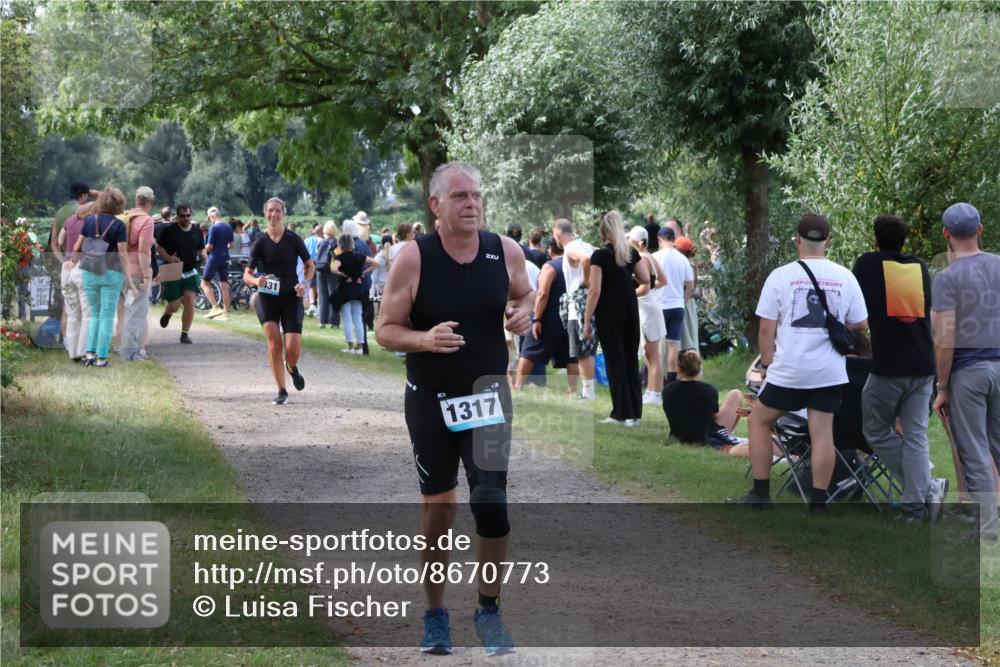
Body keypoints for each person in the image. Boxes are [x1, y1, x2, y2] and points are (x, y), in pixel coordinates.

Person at [375, 160, 532, 656]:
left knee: (491, 503)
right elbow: (384, 329)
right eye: (460, 196)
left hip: (487, 395)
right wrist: (423, 338)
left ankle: (489, 611)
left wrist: (523, 314)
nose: (472, 204)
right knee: (439, 511)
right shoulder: (413, 258)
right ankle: (435, 613)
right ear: (436, 205)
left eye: (476, 196)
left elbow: (526, 297)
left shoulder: (504, 251)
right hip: (431, 400)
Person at [737, 214, 868, 513]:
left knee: (759, 419)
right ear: (827, 242)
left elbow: (767, 328)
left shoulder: (780, 276)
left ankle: (760, 494)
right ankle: (819, 503)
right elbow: (859, 324)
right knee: (822, 432)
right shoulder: (845, 276)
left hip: (789, 371)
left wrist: (767, 363)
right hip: (828, 371)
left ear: (797, 240)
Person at [852, 215, 947, 522]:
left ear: (875, 239)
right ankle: (917, 505)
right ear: (903, 240)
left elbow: (855, 308)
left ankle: (925, 489)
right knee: (916, 436)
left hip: (890, 365)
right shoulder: (919, 267)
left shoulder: (867, 264)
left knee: (875, 430)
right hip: (923, 364)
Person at [931, 203, 1000, 540]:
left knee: (975, 451)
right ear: (980, 230)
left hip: (970, 372)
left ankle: (988, 532)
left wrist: (943, 387)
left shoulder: (947, 279)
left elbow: (945, 340)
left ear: (947, 234)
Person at [243, 197, 314, 405]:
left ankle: (291, 367)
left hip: (291, 296)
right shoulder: (260, 243)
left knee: (292, 350)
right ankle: (281, 390)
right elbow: (247, 275)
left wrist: (305, 284)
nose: (274, 214)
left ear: (284, 213)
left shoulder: (294, 239)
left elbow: (310, 265)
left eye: (278, 211)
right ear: (265, 213)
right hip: (267, 297)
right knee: (274, 342)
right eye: (270, 211)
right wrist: (257, 280)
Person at [583, 211, 649, 425]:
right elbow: (645, 278)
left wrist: (586, 320)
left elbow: (594, 290)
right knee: (630, 360)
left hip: (609, 314)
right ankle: (635, 414)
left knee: (615, 362)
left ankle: (620, 413)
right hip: (630, 310)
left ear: (603, 233)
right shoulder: (630, 252)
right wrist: (626, 276)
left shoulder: (600, 256)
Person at [70, 186, 131, 367]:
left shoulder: (89, 221)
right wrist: (128, 275)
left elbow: (76, 247)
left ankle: (89, 355)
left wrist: (75, 260)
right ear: (119, 204)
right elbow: (122, 254)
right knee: (106, 316)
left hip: (89, 271)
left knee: (94, 315)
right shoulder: (119, 225)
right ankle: (102, 358)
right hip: (111, 273)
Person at [515, 239, 578, 393]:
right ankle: (573, 390)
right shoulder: (576, 266)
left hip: (549, 317)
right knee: (571, 355)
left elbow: (542, 293)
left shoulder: (550, 266)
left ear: (550, 250)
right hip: (572, 316)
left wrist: (536, 318)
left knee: (528, 351)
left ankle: (518, 386)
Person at [663, 349, 752, 455]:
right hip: (705, 433)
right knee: (736, 394)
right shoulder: (709, 390)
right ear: (698, 367)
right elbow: (713, 415)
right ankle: (727, 435)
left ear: (678, 367)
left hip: (680, 434)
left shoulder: (667, 390)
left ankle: (728, 435)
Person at [553, 218, 597, 399]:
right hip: (588, 303)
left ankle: (588, 393)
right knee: (586, 350)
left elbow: (586, 260)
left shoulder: (571, 248)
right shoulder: (586, 245)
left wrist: (587, 281)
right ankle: (587, 390)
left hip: (577, 305)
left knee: (582, 352)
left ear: (557, 234)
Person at [627, 226, 667, 404]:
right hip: (650, 305)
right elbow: (662, 280)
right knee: (651, 355)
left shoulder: (641, 258)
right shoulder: (650, 256)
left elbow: (645, 287)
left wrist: (629, 294)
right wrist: (649, 289)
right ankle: (651, 392)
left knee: (652, 355)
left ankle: (654, 393)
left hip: (646, 308)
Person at [53, 182, 97, 340]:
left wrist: (64, 258)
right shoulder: (89, 217)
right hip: (83, 264)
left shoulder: (61, 213)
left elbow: (56, 243)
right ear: (84, 196)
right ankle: (82, 345)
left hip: (65, 263)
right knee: (85, 309)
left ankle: (65, 340)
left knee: (69, 305)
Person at [157, 203, 205, 344]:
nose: (186, 218)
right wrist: (170, 258)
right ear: (177, 216)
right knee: (175, 306)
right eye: (183, 216)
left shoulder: (196, 231)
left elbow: (201, 249)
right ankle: (168, 312)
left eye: (188, 216)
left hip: (191, 270)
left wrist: (203, 255)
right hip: (173, 270)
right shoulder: (169, 231)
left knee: (190, 299)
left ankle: (185, 334)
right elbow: (159, 249)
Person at [653, 227, 694, 386]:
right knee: (674, 344)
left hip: (659, 306)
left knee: (654, 346)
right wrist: (683, 300)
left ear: (659, 239)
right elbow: (689, 286)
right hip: (677, 306)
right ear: (673, 239)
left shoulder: (655, 257)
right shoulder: (682, 259)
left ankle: (654, 381)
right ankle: (672, 381)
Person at [119, 186, 156, 360]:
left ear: (136, 200)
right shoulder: (146, 221)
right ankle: (130, 354)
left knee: (126, 312)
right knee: (135, 314)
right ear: (150, 202)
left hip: (120, 270)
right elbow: (143, 251)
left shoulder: (126, 216)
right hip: (136, 272)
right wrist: (146, 275)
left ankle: (126, 350)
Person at [332, 232, 379, 353]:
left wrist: (342, 274)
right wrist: (363, 273)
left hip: (345, 289)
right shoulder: (359, 256)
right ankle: (360, 347)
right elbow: (376, 263)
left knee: (347, 318)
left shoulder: (340, 258)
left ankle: (350, 347)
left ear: (340, 244)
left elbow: (333, 269)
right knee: (358, 317)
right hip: (358, 289)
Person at [58, 200, 93, 361]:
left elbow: (59, 241)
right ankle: (83, 351)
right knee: (87, 313)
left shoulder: (69, 220)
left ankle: (72, 351)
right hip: (81, 266)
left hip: (66, 267)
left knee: (72, 314)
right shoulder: (90, 224)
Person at [201, 211, 234, 321]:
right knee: (224, 285)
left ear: (212, 216)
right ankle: (225, 313)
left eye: (209, 218)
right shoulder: (229, 227)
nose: (209, 220)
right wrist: (223, 246)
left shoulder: (213, 228)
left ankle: (215, 307)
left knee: (204, 283)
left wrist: (203, 248)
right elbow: (232, 245)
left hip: (214, 258)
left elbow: (210, 246)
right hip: (225, 257)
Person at [676, 235, 700, 354]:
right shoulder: (688, 263)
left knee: (687, 338)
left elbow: (688, 287)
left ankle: (689, 366)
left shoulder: (687, 264)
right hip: (687, 302)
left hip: (685, 302)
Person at [314, 220, 340, 329]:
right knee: (334, 295)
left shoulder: (320, 242)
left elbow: (317, 254)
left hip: (320, 270)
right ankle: (334, 322)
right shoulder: (336, 243)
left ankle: (322, 321)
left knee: (323, 295)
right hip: (331, 270)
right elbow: (337, 257)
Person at [303, 223, 322, 317]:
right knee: (319, 286)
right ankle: (318, 306)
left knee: (311, 285)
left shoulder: (307, 240)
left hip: (310, 264)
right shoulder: (323, 240)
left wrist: (304, 267)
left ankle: (312, 305)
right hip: (320, 264)